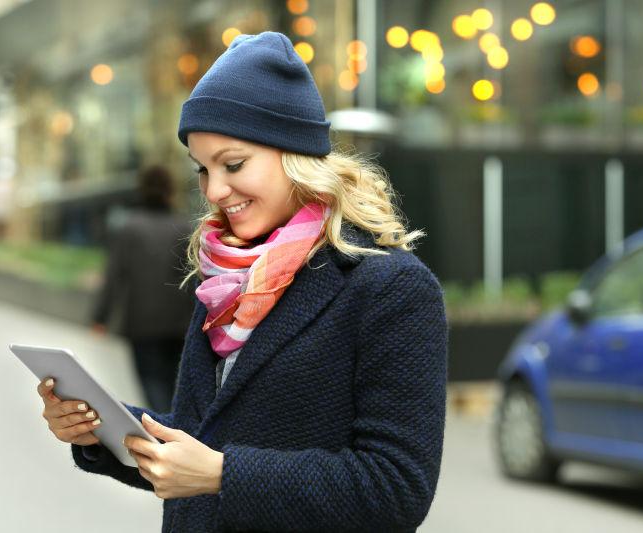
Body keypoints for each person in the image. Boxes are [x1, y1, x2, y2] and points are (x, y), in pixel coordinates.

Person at [36, 31, 447, 532]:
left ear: (294, 153)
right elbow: (202, 440)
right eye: (202, 170)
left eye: (232, 165)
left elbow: (396, 487)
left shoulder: (391, 288)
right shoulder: (228, 279)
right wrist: (100, 428)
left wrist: (223, 475)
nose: (214, 190)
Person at [92, 165, 194, 413]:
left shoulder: (129, 228)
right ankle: (173, 431)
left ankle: (163, 433)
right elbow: (195, 279)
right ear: (171, 191)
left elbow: (114, 276)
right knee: (174, 383)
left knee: (151, 382)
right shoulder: (183, 227)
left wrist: (100, 317)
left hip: (142, 323)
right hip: (179, 323)